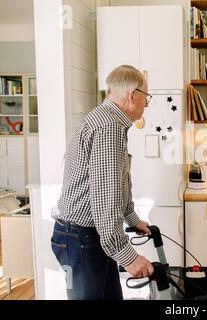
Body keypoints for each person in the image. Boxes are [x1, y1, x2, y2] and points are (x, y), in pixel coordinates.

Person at [51, 65, 154, 300]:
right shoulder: (108, 127)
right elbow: (105, 201)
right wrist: (129, 257)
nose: (146, 105)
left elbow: (117, 182)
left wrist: (132, 218)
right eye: (146, 98)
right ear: (132, 95)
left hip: (87, 236)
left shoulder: (108, 120)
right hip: (81, 238)